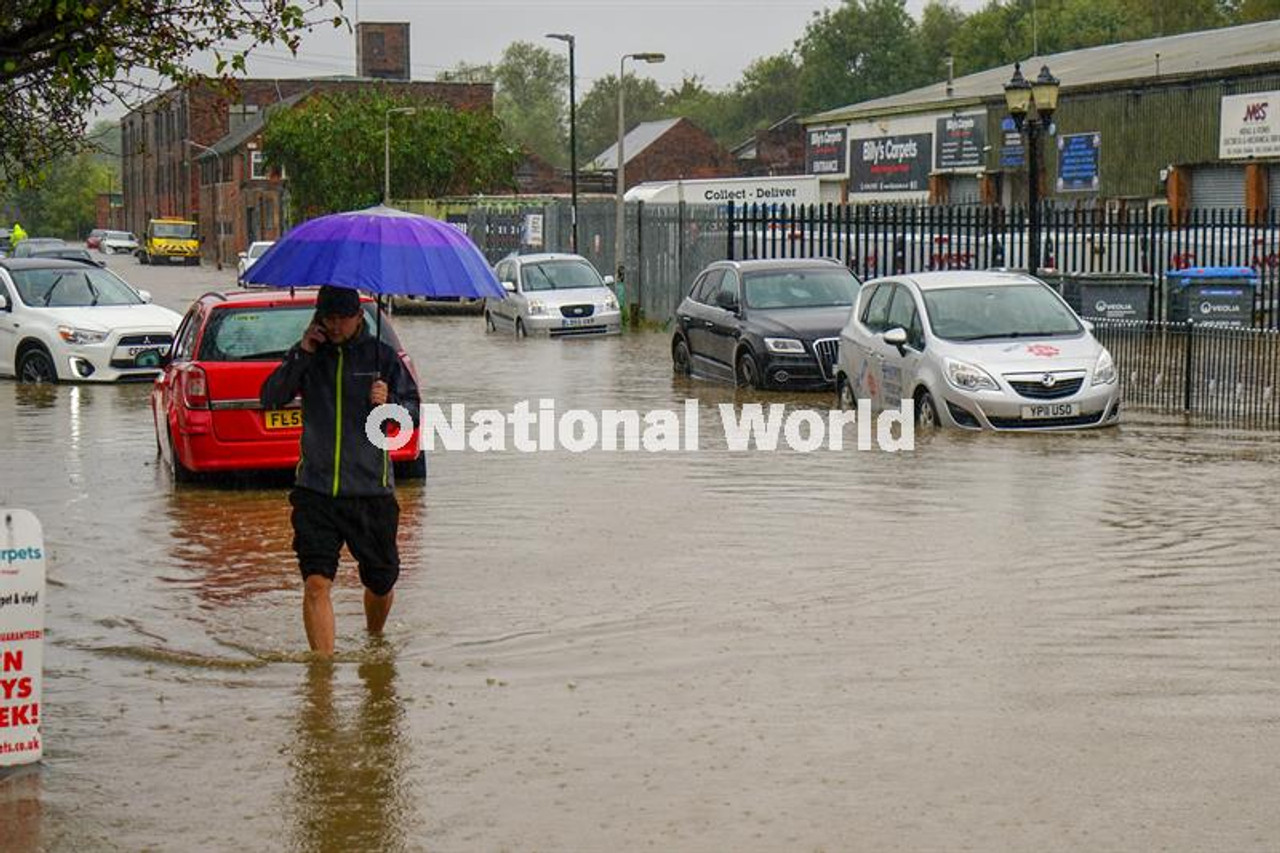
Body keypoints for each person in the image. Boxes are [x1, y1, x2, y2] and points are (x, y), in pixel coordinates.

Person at [261, 285, 421, 657]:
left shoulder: (382, 357)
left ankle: (374, 638)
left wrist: (389, 401)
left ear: (357, 317)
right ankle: (322, 675)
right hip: (315, 490)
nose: (333, 326)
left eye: (341, 319)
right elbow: (270, 397)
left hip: (370, 491)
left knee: (381, 581)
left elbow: (412, 414)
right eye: (326, 318)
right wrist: (301, 353)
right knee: (316, 582)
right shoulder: (308, 356)